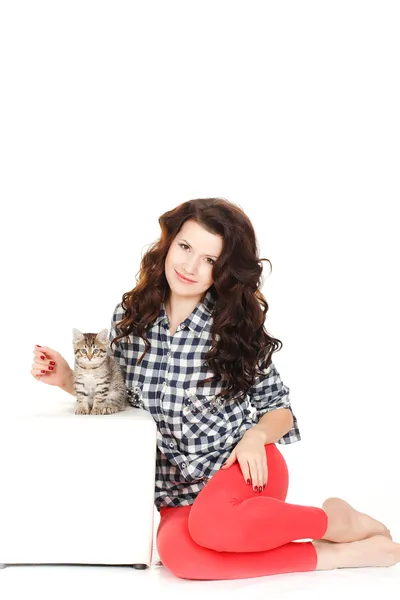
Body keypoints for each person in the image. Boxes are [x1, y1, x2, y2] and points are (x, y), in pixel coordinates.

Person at [31, 197, 399, 580]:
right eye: (185, 248)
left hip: (244, 470)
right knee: (179, 557)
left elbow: (280, 410)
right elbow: (120, 395)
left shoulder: (233, 329)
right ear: (168, 244)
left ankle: (332, 522)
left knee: (214, 525)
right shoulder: (130, 318)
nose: (190, 267)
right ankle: (335, 555)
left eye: (209, 260)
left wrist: (256, 437)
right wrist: (65, 379)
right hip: (179, 491)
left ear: (221, 270)